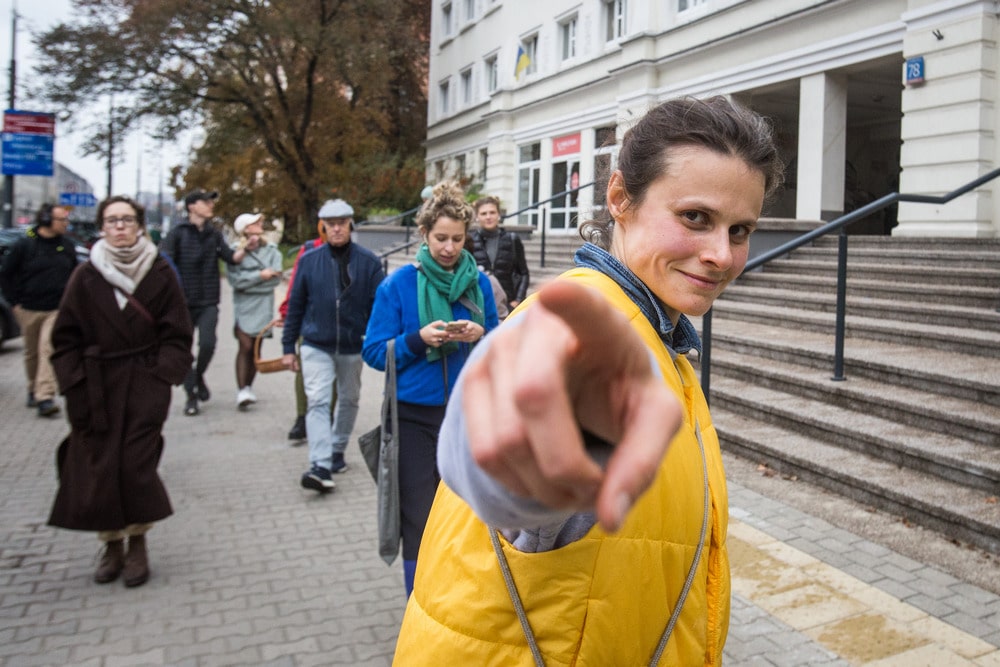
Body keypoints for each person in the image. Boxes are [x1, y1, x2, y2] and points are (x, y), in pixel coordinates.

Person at [393, 96, 785, 664]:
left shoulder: (662, 339)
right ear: (620, 198)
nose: (721, 255)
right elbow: (494, 463)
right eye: (695, 218)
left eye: (741, 229)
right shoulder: (588, 325)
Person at [47, 196, 194, 588]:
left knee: (135, 465)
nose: (120, 227)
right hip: (96, 390)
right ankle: (111, 544)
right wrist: (74, 384)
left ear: (140, 225)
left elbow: (178, 333)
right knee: (99, 467)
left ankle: (138, 541)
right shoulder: (85, 276)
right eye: (112, 220)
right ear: (101, 226)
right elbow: (64, 339)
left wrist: (162, 376)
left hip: (144, 385)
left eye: (127, 220)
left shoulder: (159, 271)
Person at [362, 181, 500, 597]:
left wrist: (482, 333)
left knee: (468, 515)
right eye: (441, 238)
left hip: (465, 416)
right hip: (413, 419)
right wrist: (417, 339)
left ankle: (461, 599)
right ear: (424, 234)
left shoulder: (478, 284)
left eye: (458, 239)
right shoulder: (398, 285)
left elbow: (501, 344)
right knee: (420, 518)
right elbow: (372, 350)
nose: (449, 248)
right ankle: (419, 606)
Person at [281, 199, 385, 491]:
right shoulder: (309, 260)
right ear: (323, 227)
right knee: (318, 400)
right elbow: (296, 305)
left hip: (353, 344)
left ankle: (337, 450)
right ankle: (320, 464)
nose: (337, 228)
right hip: (316, 343)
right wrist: (289, 346)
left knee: (350, 399)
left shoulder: (368, 262)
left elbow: (381, 304)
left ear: (351, 223)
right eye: (331, 224)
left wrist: (377, 336)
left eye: (342, 222)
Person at [162, 189, 246, 416]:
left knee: (208, 344)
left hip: (209, 299)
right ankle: (191, 395)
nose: (210, 205)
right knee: (183, 350)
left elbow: (231, 258)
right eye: (205, 201)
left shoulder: (214, 234)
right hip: (182, 303)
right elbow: (166, 263)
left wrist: (246, 247)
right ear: (191, 206)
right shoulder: (177, 233)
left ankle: (198, 377)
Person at [0, 203, 78, 417]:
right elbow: (6, 273)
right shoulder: (24, 246)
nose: (66, 224)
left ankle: (45, 396)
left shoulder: (67, 246)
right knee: (32, 353)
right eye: (62, 220)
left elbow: (75, 277)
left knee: (48, 349)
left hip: (56, 309)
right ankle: (33, 389)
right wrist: (14, 301)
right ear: (46, 220)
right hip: (28, 308)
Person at [277, 220, 328, 442]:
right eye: (329, 224)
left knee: (332, 378)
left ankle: (327, 419)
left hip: (339, 324)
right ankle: (302, 417)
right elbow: (295, 284)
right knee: (305, 370)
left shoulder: (352, 253)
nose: (335, 229)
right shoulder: (309, 250)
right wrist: (287, 312)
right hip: (308, 320)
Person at [226, 213, 283, 410]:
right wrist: (260, 276)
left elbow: (275, 279)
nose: (260, 224)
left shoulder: (272, 250)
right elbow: (235, 281)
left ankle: (249, 386)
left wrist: (251, 282)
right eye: (255, 222)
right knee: (246, 346)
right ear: (245, 228)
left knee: (256, 349)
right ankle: (242, 389)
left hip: (263, 306)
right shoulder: (234, 252)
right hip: (243, 306)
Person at [469, 195, 530, 311]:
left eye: (492, 212)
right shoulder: (470, 241)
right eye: (483, 213)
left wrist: (517, 300)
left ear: (499, 215)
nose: (488, 217)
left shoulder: (512, 239)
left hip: (508, 304)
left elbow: (523, 273)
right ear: (477, 216)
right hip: (480, 304)